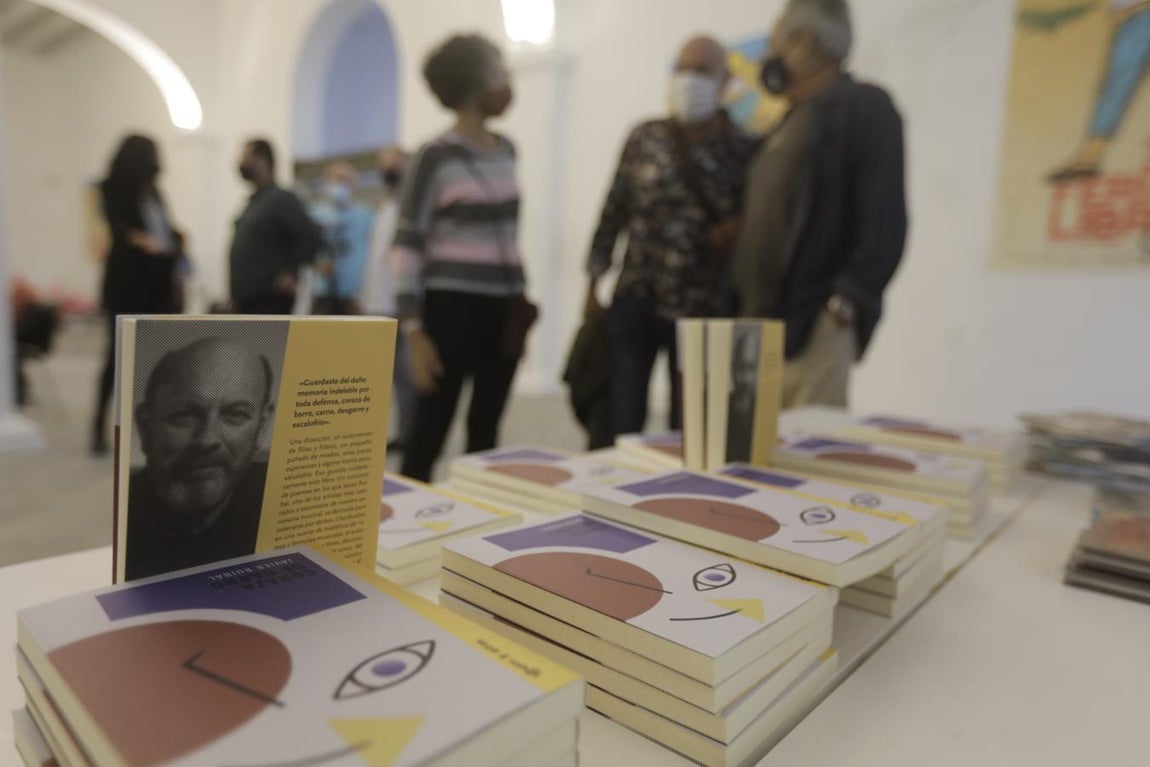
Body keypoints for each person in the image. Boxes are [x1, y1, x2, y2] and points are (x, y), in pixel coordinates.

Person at [732, 0, 907, 408]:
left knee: (803, 465)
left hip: (812, 333)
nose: (768, 54)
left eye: (775, 40)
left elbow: (885, 224)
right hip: (755, 334)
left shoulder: (865, 108)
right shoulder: (789, 121)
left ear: (805, 42)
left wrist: (842, 307)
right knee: (745, 467)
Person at [585, 36, 758, 441]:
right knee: (621, 420)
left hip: (702, 305)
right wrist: (592, 282)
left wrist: (740, 230)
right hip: (636, 296)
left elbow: (760, 220)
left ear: (725, 80)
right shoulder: (645, 137)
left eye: (701, 71)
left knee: (691, 429)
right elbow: (614, 210)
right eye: (682, 69)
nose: (689, 80)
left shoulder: (746, 148)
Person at [391, 33, 528, 482]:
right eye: (499, 68)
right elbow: (407, 242)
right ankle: (407, 528)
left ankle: (477, 528)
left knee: (486, 431)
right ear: (475, 80)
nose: (507, 79)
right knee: (430, 429)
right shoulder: (434, 156)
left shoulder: (508, 149)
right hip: (451, 305)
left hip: (506, 305)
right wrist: (413, 329)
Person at [125, 337, 273, 580]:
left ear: (262, 426)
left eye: (236, 414)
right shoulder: (121, 514)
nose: (206, 440)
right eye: (183, 416)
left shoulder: (280, 494)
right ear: (145, 426)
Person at [91, 134, 182, 455]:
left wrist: (174, 242)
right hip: (126, 283)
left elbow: (167, 229)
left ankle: (143, 430)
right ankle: (97, 429)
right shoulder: (111, 187)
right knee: (116, 356)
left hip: (156, 284)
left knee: (152, 358)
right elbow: (119, 229)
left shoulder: (153, 191)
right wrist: (146, 242)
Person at [1049, 0, 1150, 182]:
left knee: (1116, 84)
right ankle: (1089, 158)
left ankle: (1089, 157)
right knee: (1115, 85)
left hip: (1139, 13)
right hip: (1136, 17)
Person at [362, 145, 416, 450]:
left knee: (408, 376)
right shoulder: (383, 209)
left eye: (395, 164)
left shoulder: (411, 208)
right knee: (388, 377)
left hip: (402, 303)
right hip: (378, 304)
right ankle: (398, 431)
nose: (390, 170)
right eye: (385, 165)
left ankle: (411, 434)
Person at [229, 138, 323, 314]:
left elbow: (310, 236)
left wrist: (291, 271)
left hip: (269, 302)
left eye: (246, 157)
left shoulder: (280, 199)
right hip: (247, 304)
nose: (241, 164)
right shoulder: (255, 201)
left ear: (263, 160)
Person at [309, 161, 374, 315]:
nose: (340, 184)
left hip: (353, 294)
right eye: (337, 179)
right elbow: (306, 249)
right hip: (322, 291)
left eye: (345, 180)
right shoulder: (315, 215)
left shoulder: (365, 216)